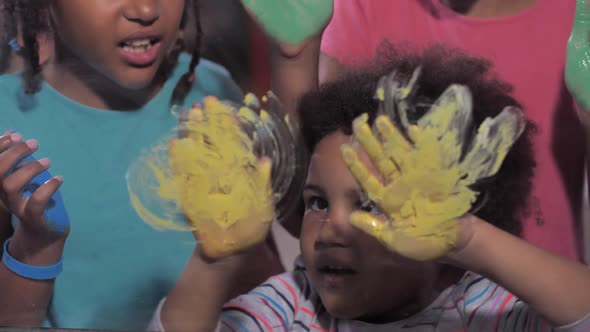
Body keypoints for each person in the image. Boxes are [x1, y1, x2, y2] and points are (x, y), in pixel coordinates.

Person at [149, 46, 590, 332]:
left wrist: (468, 238)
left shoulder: (487, 312)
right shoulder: (290, 310)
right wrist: (212, 263)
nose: (332, 228)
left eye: (372, 206)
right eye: (317, 202)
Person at [0, 0, 283, 330]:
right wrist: (34, 248)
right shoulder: (7, 120)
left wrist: (231, 253)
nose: (146, 10)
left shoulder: (213, 94)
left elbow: (266, 292)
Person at [318, 0, 587, 261]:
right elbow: (316, 205)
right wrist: (293, 59)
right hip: (392, 287)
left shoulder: (577, 17)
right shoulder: (364, 6)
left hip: (546, 293)